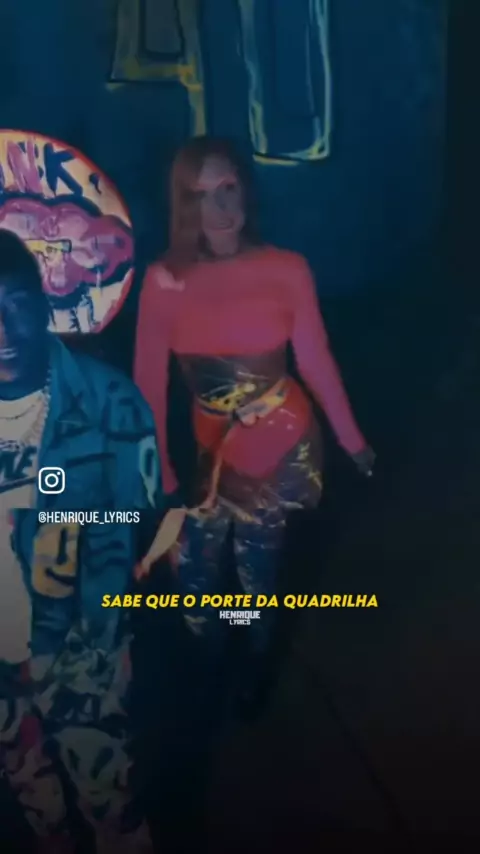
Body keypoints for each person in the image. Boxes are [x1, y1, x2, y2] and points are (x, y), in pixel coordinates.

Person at [134, 136, 375, 704]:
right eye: (201, 195)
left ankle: (253, 655)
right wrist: (159, 469)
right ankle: (212, 654)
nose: (220, 207)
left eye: (228, 188)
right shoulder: (164, 280)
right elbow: (148, 383)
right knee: (192, 567)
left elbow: (315, 360)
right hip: (209, 448)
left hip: (281, 441)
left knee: (255, 566)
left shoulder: (286, 269)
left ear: (245, 189)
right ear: (183, 204)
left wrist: (352, 441)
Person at [0, 229, 161, 853]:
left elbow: (130, 524)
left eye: (16, 303)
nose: (4, 329)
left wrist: (98, 638)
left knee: (110, 799)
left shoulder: (109, 400)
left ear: (43, 302)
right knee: (30, 788)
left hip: (79, 649)